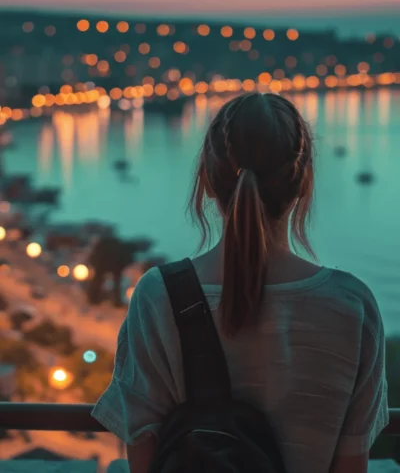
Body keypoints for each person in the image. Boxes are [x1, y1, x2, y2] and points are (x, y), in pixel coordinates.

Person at [92, 92, 389, 473]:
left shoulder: (158, 297)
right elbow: (352, 465)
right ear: (303, 183)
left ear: (209, 182)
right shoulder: (352, 306)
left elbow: (144, 456)